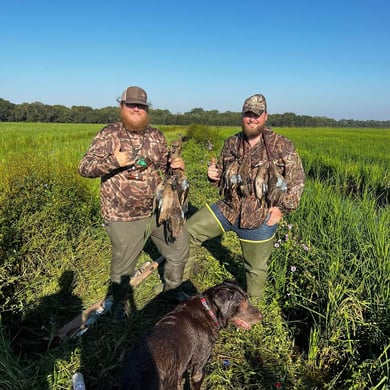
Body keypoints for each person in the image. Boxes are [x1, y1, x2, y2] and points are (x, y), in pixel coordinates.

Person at [78, 86, 189, 319]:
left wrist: (174, 165)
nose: (136, 109)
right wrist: (113, 161)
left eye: (141, 106)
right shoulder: (109, 134)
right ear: (122, 107)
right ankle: (119, 305)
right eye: (132, 105)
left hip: (157, 210)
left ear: (147, 110)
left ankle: (172, 293)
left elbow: (163, 165)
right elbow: (84, 168)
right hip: (122, 216)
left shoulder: (156, 135)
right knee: (124, 266)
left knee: (178, 248)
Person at [183, 93, 305, 300]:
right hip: (228, 208)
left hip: (260, 216)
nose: (252, 119)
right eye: (248, 114)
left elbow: (297, 181)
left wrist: (282, 209)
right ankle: (181, 289)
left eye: (257, 114)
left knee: (255, 268)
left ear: (265, 116)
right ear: (242, 116)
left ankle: (252, 309)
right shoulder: (232, 142)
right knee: (187, 233)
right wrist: (214, 176)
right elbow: (223, 173)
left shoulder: (281, 145)